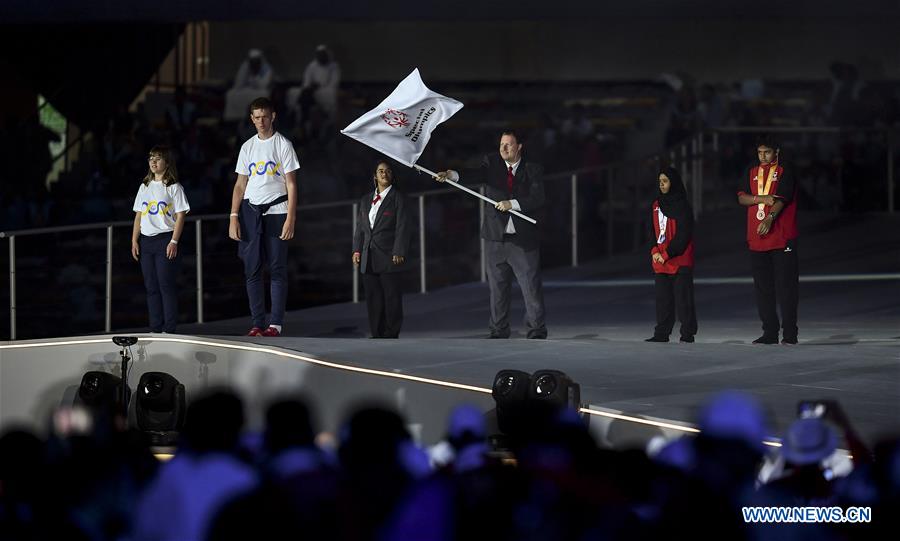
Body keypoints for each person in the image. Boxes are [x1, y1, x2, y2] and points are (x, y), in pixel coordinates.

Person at [436, 129, 547, 339]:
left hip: (523, 240)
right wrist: (452, 175)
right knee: (497, 288)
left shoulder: (533, 169)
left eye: (509, 145)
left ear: (519, 147)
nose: (504, 149)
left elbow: (537, 197)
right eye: (501, 145)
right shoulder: (492, 163)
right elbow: (474, 174)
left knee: (530, 286)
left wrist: (512, 204)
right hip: (495, 238)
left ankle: (536, 328)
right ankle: (498, 328)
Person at [228, 97, 299, 337]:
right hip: (250, 211)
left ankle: (275, 324)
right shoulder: (247, 146)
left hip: (278, 211)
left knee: (277, 268)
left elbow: (291, 184)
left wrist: (291, 218)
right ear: (251, 118)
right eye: (256, 117)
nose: (260, 121)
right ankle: (257, 323)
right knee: (252, 269)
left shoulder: (283, 144)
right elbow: (239, 185)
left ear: (273, 116)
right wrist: (233, 216)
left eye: (264, 116)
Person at [737, 134, 799, 344]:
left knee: (786, 287)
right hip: (757, 237)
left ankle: (790, 334)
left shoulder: (785, 169)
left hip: (782, 236)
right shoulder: (751, 170)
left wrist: (770, 218)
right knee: (763, 288)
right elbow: (741, 197)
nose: (763, 156)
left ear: (777, 152)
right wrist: (761, 198)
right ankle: (769, 332)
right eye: (760, 152)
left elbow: (783, 198)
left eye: (767, 152)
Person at [130, 145, 190, 333]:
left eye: (158, 158)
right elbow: (139, 215)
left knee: (165, 284)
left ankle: (169, 328)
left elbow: (181, 215)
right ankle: (155, 327)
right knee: (151, 286)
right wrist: (134, 240)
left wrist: (174, 241)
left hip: (165, 239)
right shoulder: (144, 186)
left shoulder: (173, 187)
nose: (153, 162)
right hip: (146, 241)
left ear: (167, 162)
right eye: (151, 158)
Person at [352, 160, 411, 338]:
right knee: (373, 298)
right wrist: (356, 250)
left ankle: (391, 333)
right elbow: (360, 228)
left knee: (391, 297)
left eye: (387, 171)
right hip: (368, 255)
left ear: (392, 175)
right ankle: (376, 333)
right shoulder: (365, 200)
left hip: (389, 255)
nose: (384, 173)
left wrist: (399, 251)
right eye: (380, 171)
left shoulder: (398, 198)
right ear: (375, 176)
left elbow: (403, 227)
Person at [646, 167, 698, 343]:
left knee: (684, 301)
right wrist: (654, 251)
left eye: (665, 181)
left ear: (673, 182)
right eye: (660, 181)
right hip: (660, 260)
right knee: (663, 301)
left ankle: (687, 334)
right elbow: (650, 231)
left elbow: (684, 234)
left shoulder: (683, 206)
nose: (661, 184)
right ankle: (661, 333)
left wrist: (667, 253)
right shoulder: (655, 205)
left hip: (679, 259)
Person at [224, 49, 275, 121]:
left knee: (263, 96)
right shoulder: (245, 67)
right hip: (247, 89)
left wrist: (255, 78)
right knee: (231, 94)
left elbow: (264, 85)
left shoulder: (267, 69)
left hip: (261, 91)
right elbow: (239, 83)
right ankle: (234, 119)